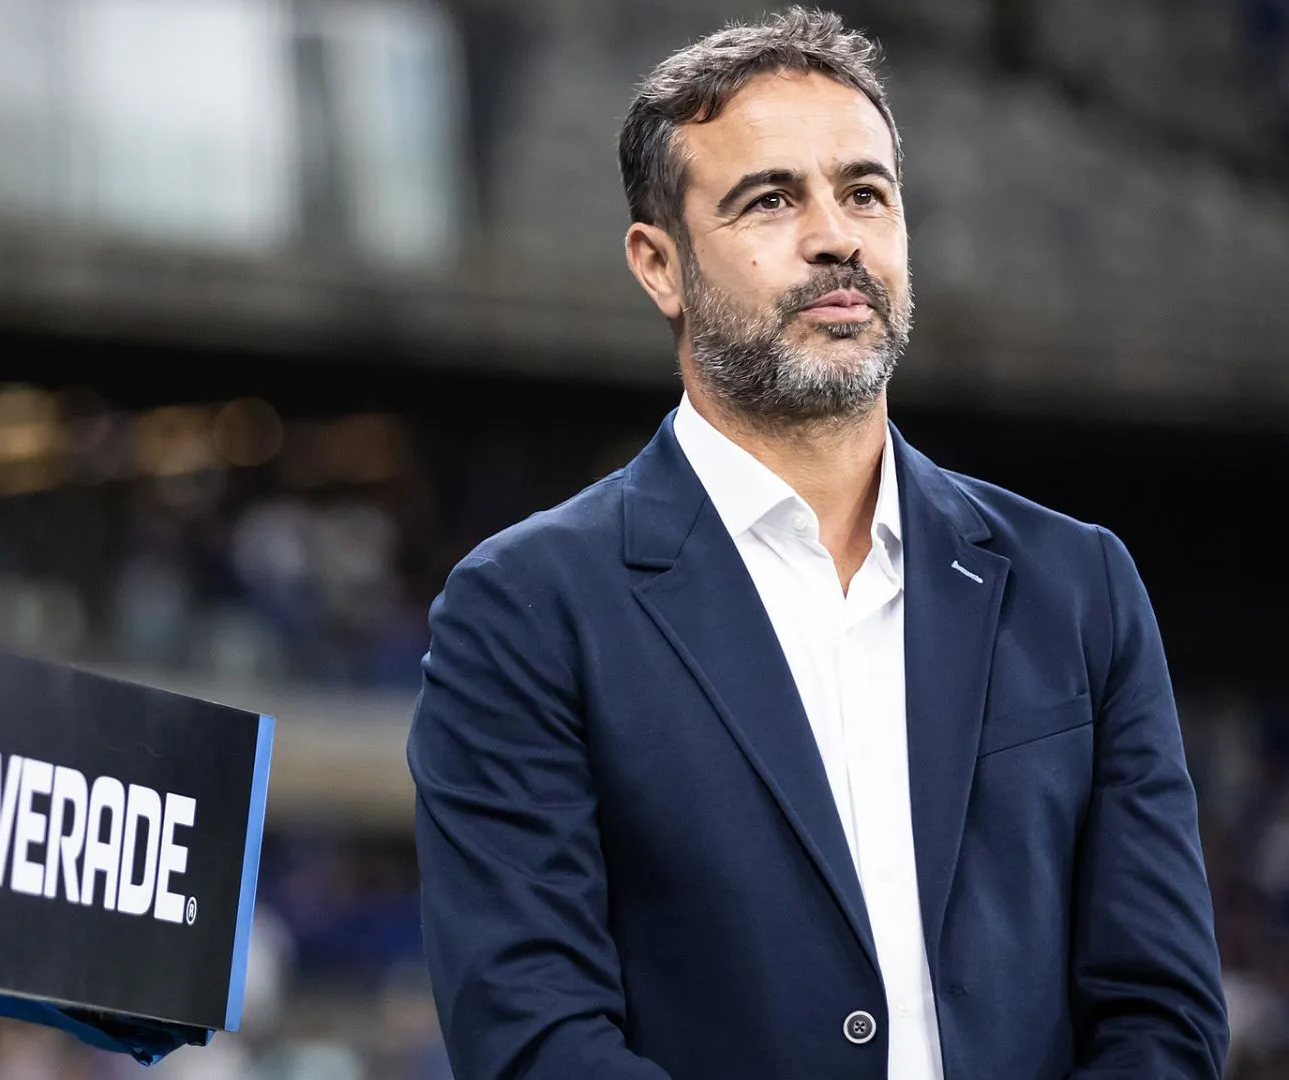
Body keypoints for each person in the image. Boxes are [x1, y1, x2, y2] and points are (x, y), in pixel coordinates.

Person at [406, 8, 1227, 1079]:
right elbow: (535, 1037)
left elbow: (1163, 1017)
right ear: (659, 265)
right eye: (772, 199)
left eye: (865, 193)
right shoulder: (524, 608)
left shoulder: (1080, 586)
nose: (835, 234)